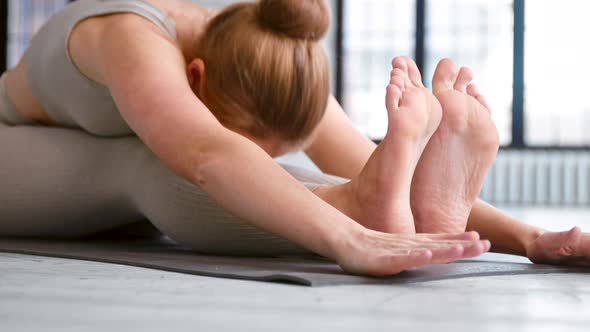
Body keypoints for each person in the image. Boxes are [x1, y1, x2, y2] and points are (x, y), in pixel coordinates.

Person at [0, 0, 586, 277]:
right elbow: (209, 155)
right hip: (11, 142)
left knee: (370, 190)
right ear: (194, 81)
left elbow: (372, 165)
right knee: (153, 163)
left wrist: (530, 238)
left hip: (83, 182)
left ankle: (367, 209)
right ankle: (359, 211)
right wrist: (348, 237)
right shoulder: (135, 39)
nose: (264, 161)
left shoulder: (266, 57)